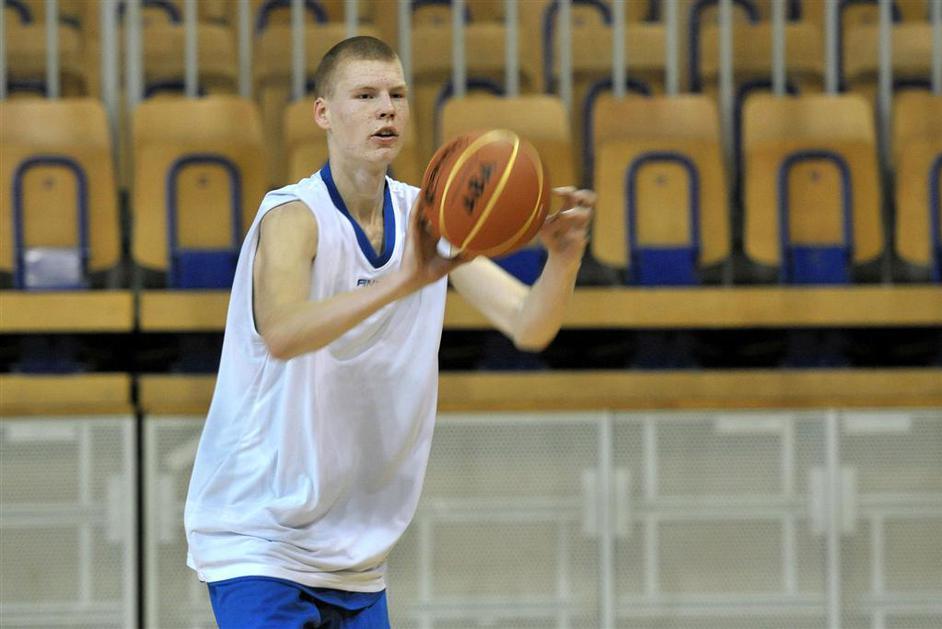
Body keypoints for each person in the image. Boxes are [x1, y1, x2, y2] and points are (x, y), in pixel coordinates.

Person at [184, 35, 595, 629]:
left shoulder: (432, 218)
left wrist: (564, 258)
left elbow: (529, 325)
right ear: (323, 113)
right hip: (259, 535)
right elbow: (282, 332)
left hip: (356, 554)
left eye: (397, 95)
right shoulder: (292, 216)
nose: (387, 109)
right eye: (366, 95)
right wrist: (403, 281)